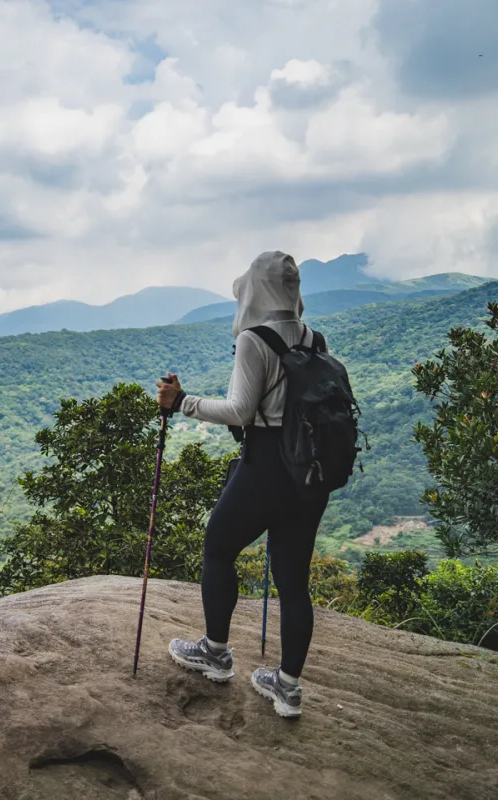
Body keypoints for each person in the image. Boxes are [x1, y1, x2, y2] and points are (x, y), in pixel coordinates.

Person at [155, 250, 330, 718]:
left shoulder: (255, 339)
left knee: (217, 549)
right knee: (293, 583)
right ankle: (287, 687)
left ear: (253, 289)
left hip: (268, 466)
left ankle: (215, 652)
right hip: (309, 473)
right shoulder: (314, 338)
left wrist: (182, 402)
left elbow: (239, 411)